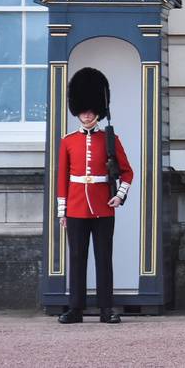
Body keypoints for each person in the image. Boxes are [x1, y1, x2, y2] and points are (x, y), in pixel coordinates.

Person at [56, 67, 133, 324]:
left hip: (102, 206)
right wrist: (62, 211)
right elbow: (62, 178)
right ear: (77, 111)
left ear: (98, 111)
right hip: (76, 207)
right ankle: (75, 309)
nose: (87, 115)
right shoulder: (67, 141)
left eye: (90, 111)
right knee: (77, 258)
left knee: (103, 258)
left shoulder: (110, 139)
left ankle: (106, 309)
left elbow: (128, 172)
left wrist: (119, 196)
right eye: (83, 110)